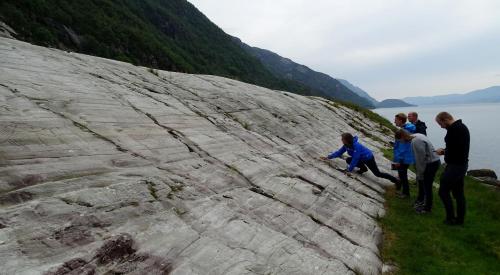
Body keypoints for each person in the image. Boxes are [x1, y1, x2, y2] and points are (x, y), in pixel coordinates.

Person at [320, 133, 400, 184]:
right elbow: (339, 152)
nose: (341, 140)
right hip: (361, 158)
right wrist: (328, 157)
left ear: (347, 140)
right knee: (348, 160)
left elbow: (355, 158)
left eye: (342, 139)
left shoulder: (356, 146)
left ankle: (395, 180)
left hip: (368, 158)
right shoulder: (346, 145)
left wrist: (349, 170)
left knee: (377, 174)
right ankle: (363, 168)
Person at [435, 112, 470, 225]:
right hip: (460, 165)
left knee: (443, 191)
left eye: (440, 123)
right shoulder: (459, 127)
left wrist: (443, 151)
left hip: (456, 166)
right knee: (458, 193)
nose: (441, 126)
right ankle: (459, 220)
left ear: (445, 119)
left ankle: (450, 218)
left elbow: (456, 150)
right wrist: (445, 150)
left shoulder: (456, 129)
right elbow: (456, 147)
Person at [396, 130, 441, 213]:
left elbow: (421, 160)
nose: (401, 143)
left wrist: (419, 174)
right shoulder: (417, 135)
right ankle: (420, 200)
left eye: (400, 141)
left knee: (426, 185)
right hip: (434, 161)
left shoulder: (415, 142)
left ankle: (427, 208)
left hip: (430, 163)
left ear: (403, 137)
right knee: (423, 183)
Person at [393, 113, 416, 198]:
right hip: (405, 156)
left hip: (403, 157)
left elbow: (403, 148)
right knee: (402, 175)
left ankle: (406, 194)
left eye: (395, 120)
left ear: (400, 120)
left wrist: (398, 160)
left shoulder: (405, 131)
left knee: (403, 175)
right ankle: (404, 192)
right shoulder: (406, 129)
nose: (394, 121)